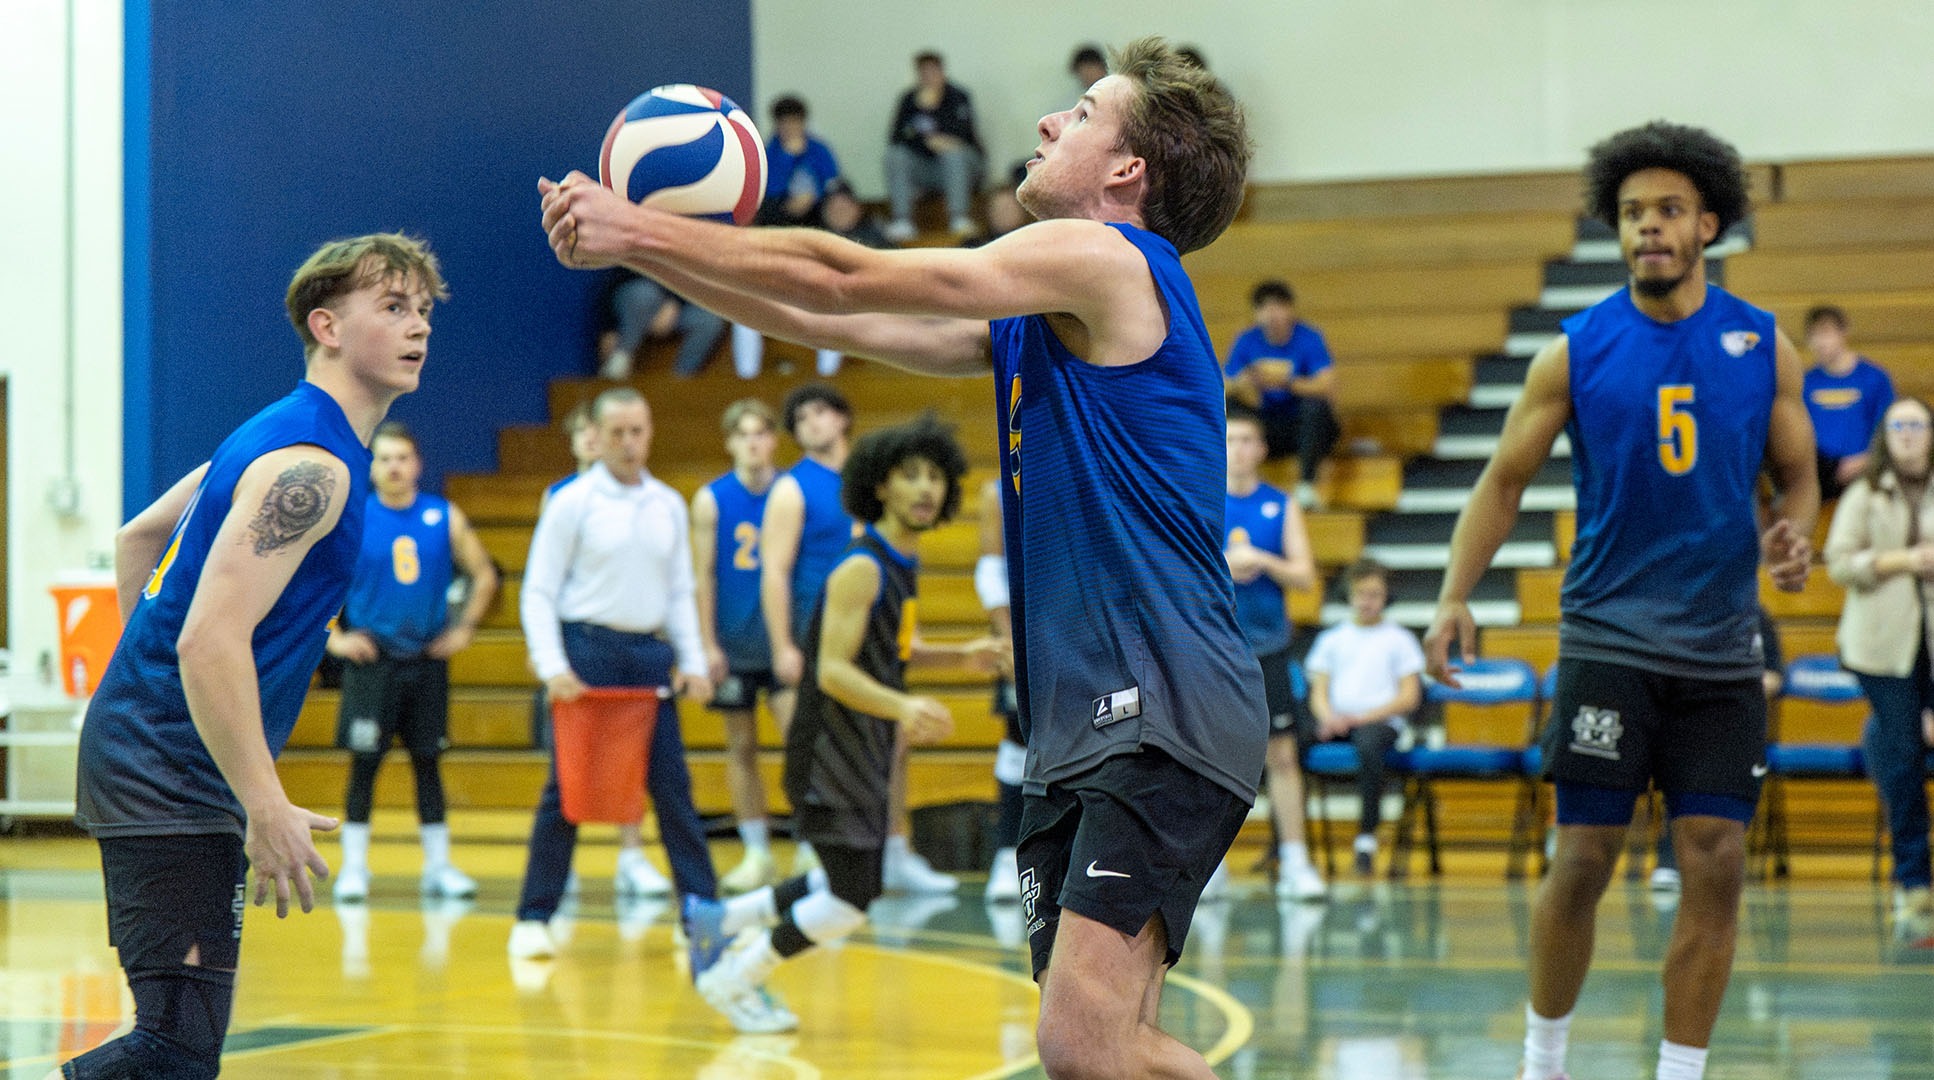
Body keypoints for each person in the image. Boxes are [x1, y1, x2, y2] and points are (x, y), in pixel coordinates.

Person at [536, 35, 1260, 1078]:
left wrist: (638, 222)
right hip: (1091, 723)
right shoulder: (1038, 321)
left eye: (1080, 113)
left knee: (1082, 1039)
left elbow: (844, 272)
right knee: (1100, 1048)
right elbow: (814, 311)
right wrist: (645, 256)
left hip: (1163, 705)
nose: (1048, 120)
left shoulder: (1114, 260)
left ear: (1126, 171)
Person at [1423, 121, 1817, 1080]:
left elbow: (1801, 476)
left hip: (1722, 651)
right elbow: (1503, 482)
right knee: (1586, 856)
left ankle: (1679, 1072)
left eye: (1670, 210)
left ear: (1708, 225)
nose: (1649, 227)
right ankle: (1543, 1062)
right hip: (1608, 640)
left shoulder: (1762, 345)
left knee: (1717, 857)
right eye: (1634, 212)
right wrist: (1451, 597)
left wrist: (1794, 533)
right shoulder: (1576, 349)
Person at [64, 233, 445, 1079]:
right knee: (172, 1048)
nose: (419, 325)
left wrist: (143, 690)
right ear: (327, 326)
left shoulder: (281, 433)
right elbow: (206, 638)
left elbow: (138, 541)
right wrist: (264, 801)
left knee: (178, 1044)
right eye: (393, 306)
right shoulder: (313, 467)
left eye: (423, 309)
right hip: (169, 772)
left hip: (158, 753)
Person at [682, 415, 998, 1033]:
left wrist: (959, 656)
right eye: (910, 476)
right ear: (880, 486)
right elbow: (830, 670)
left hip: (860, 749)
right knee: (852, 901)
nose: (925, 488)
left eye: (935, 477)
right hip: (831, 751)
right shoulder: (863, 567)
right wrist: (904, 707)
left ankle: (717, 921)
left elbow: (891, 649)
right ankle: (732, 977)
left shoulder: (900, 560)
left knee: (842, 880)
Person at [508, 386, 718, 960]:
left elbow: (680, 591)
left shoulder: (668, 504)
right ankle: (533, 916)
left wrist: (693, 662)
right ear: (596, 438)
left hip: (648, 657)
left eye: (637, 432)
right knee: (567, 789)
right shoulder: (572, 503)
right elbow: (539, 590)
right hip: (587, 653)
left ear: (650, 434)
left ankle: (702, 916)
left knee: (673, 790)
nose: (628, 443)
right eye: (617, 433)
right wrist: (553, 666)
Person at [326, 421, 499, 904]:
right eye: (385, 458)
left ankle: (439, 868)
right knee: (364, 763)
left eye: (402, 457)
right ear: (372, 467)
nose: (394, 467)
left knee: (428, 762)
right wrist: (334, 639)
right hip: (372, 662)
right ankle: (354, 868)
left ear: (418, 463)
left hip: (425, 660)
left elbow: (484, 574)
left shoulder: (443, 516)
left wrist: (464, 629)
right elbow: (316, 582)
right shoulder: (354, 518)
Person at [1823, 396, 1934, 927]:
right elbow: (1838, 563)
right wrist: (1902, 560)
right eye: (1898, 426)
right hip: (1882, 648)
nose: (1908, 434)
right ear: (1884, 437)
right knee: (1904, 752)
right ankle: (1915, 882)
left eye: (1917, 424)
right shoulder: (1864, 492)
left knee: (1896, 746)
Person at [1224, 405, 1324, 898]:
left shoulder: (1280, 505)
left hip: (1268, 648)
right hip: (1215, 651)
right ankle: (1210, 870)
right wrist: (1224, 565)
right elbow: (1176, 575)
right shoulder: (1200, 502)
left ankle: (1296, 863)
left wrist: (1263, 560)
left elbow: (1305, 576)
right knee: (1210, 758)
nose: (1238, 450)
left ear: (1261, 449)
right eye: (1230, 440)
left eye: (1247, 440)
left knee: (1281, 755)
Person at [692, 399, 784, 893]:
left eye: (761, 432)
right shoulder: (712, 500)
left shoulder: (790, 493)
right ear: (730, 442)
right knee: (741, 746)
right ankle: (757, 851)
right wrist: (707, 642)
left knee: (801, 743)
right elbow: (703, 574)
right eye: (743, 434)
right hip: (734, 642)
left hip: (784, 641)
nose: (752, 443)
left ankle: (813, 847)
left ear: (773, 440)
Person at [1649, 603, 1784, 892]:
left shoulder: (1756, 616)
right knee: (1683, 770)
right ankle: (1670, 860)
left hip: (1740, 720)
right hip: (1690, 718)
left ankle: (1722, 860)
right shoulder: (1683, 614)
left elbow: (1773, 676)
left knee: (1729, 787)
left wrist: (1736, 688)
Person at [1304, 559, 1423, 878]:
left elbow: (1409, 697)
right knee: (1289, 743)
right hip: (1337, 721)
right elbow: (1318, 691)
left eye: (1374, 594)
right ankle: (1287, 842)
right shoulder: (1332, 639)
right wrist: (1329, 717)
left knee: (1369, 745)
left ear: (1387, 597)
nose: (1367, 601)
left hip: (1380, 723)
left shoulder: (1400, 639)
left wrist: (1361, 717)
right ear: (1349, 594)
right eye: (1361, 593)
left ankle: (1366, 838)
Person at [1224, 279, 1340, 505]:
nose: (1272, 314)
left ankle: (1306, 484)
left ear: (1290, 309)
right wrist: (1245, 381)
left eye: (1278, 306)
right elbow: (1224, 385)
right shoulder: (1247, 340)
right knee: (1230, 406)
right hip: (1267, 427)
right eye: (1265, 307)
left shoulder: (1309, 337)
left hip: (1303, 427)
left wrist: (1287, 383)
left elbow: (1327, 385)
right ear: (1256, 313)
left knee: (1315, 406)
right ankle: (1233, 478)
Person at [975, 476, 1027, 903]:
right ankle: (1008, 856)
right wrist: (1007, 637)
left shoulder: (1081, 472)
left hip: (1075, 627)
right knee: (1017, 740)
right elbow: (990, 570)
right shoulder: (998, 490)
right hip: (1023, 631)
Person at [882, 50, 984, 242]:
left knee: (953, 153)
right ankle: (902, 220)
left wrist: (941, 134)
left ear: (942, 71)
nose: (929, 77)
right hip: (925, 167)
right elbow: (896, 137)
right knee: (895, 155)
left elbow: (966, 135)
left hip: (963, 165)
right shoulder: (909, 100)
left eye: (933, 71)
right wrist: (926, 141)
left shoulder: (958, 96)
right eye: (924, 73)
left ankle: (959, 217)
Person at [1802, 304, 1895, 499]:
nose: (1819, 341)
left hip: (1866, 476)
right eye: (1812, 335)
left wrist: (1865, 461)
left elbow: (1888, 429)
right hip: (1820, 479)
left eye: (1825, 332)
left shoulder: (1874, 378)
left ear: (1844, 332)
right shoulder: (1806, 382)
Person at [599, 270, 727, 379]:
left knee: (708, 321)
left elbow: (694, 278)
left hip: (674, 305)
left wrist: (674, 302)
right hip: (631, 300)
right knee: (645, 294)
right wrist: (609, 327)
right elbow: (604, 281)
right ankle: (621, 356)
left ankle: (679, 382)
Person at [756, 96, 843, 228]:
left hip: (816, 207)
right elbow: (769, 189)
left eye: (794, 122)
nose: (790, 128)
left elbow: (832, 181)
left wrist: (813, 196)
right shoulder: (769, 152)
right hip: (782, 209)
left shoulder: (819, 149)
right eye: (784, 123)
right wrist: (787, 157)